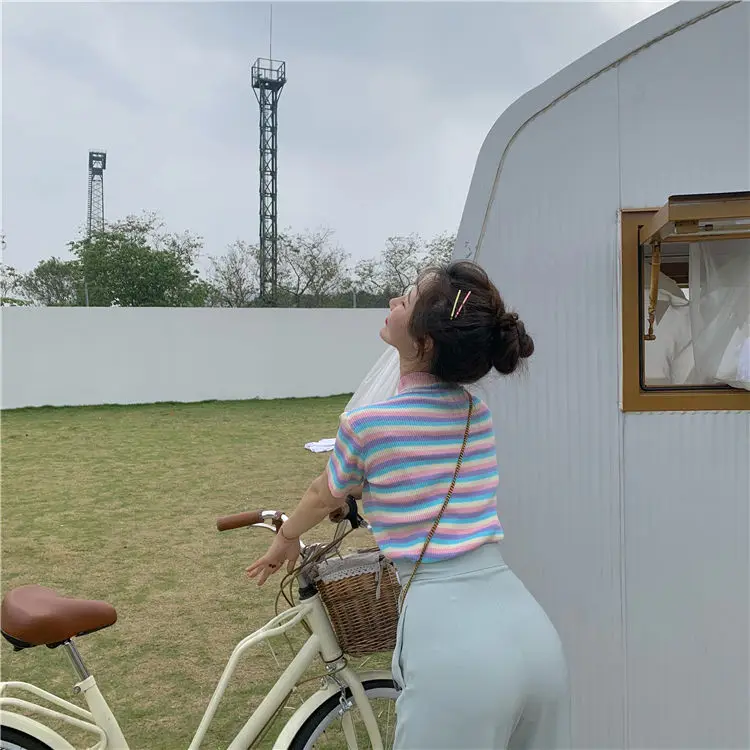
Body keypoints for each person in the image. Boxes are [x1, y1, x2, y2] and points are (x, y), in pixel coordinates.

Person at [247, 260, 571, 749]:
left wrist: (287, 536)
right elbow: (418, 472)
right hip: (531, 632)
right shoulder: (476, 414)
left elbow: (322, 493)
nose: (394, 300)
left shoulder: (367, 426)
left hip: (453, 643)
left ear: (426, 341)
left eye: (409, 298)